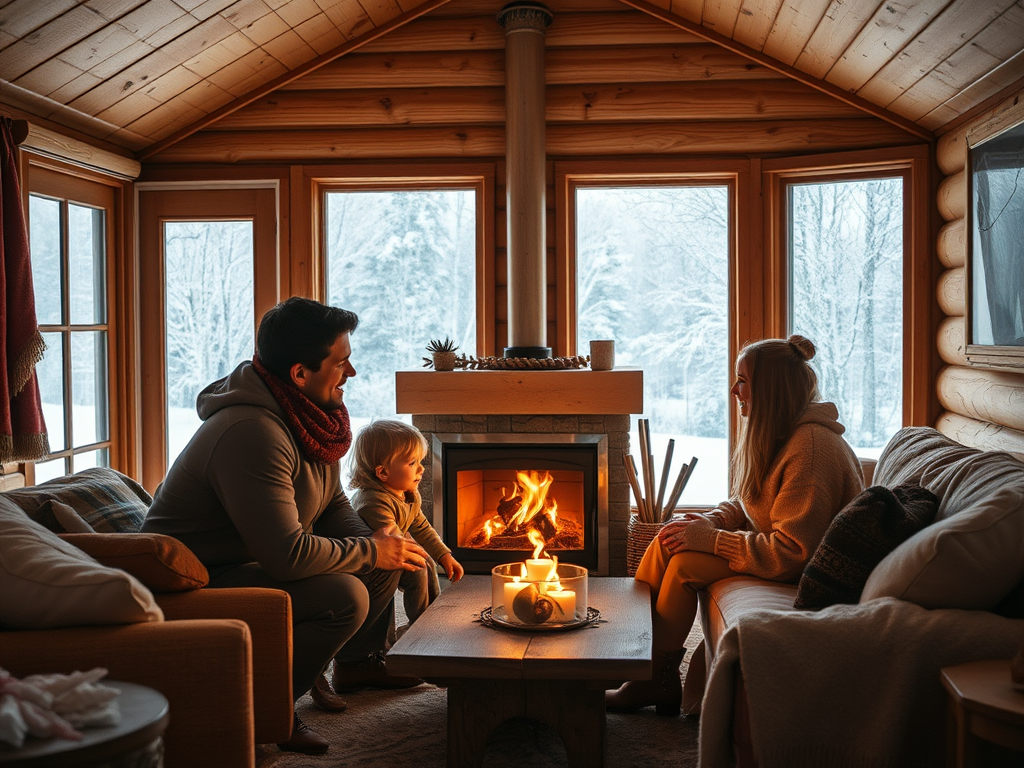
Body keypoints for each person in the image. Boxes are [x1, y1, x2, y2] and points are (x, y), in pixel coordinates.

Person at [142, 297, 429, 755]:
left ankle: (355, 665)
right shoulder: (252, 431)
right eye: (341, 363)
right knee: (344, 596)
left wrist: (378, 543)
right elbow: (287, 554)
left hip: (251, 560)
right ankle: (268, 712)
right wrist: (371, 550)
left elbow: (332, 502)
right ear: (300, 373)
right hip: (199, 579)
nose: (351, 373)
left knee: (382, 557)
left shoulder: (307, 416)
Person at [606, 335, 864, 716]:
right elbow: (749, 502)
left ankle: (653, 679)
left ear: (770, 388)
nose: (733, 390)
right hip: (784, 554)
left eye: (742, 380)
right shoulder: (782, 434)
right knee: (667, 539)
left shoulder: (811, 448)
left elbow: (793, 553)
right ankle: (630, 659)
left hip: (806, 571)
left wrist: (711, 541)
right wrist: (711, 521)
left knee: (682, 565)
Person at [348, 419, 465, 624]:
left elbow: (421, 527)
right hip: (367, 565)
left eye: (420, 461)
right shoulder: (373, 502)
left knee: (426, 560)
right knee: (419, 567)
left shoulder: (408, 493)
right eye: (412, 463)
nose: (421, 469)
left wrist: (443, 554)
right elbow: (392, 543)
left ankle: (430, 612)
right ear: (383, 472)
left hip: (392, 552)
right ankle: (420, 625)